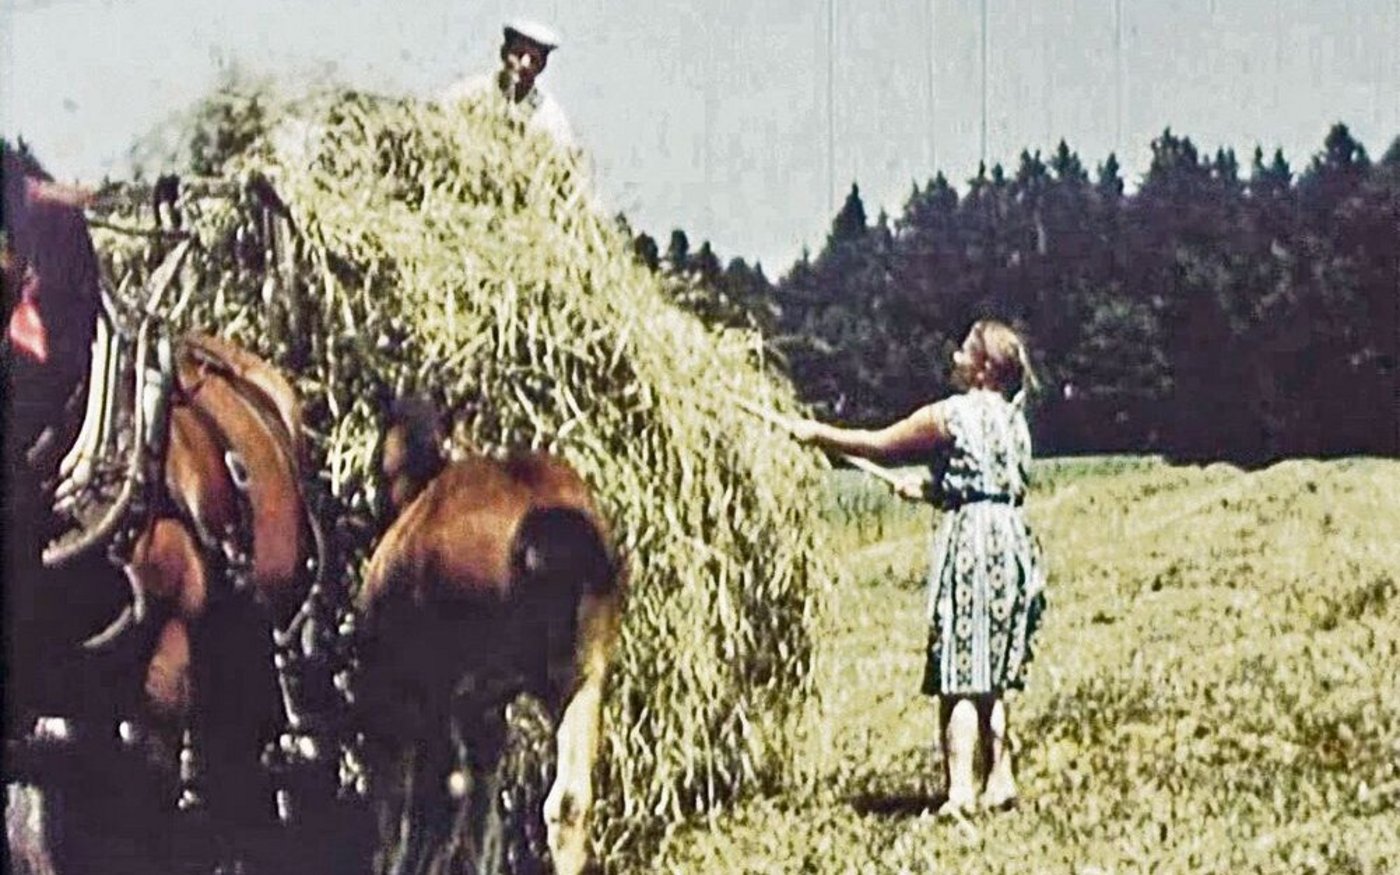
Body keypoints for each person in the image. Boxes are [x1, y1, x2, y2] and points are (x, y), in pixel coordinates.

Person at [790, 319, 1047, 815]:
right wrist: (929, 489)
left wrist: (818, 433)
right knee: (992, 669)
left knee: (959, 672)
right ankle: (1000, 779)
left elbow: (879, 443)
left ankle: (961, 793)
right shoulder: (1015, 419)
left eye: (963, 351)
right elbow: (988, 481)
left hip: (973, 543)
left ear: (983, 369)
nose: (954, 356)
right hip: (1012, 539)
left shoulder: (950, 415)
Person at [439, 18, 577, 151]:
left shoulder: (550, 117)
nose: (524, 64)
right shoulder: (468, 92)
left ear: (542, 67)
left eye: (533, 60)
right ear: (504, 52)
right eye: (519, 54)